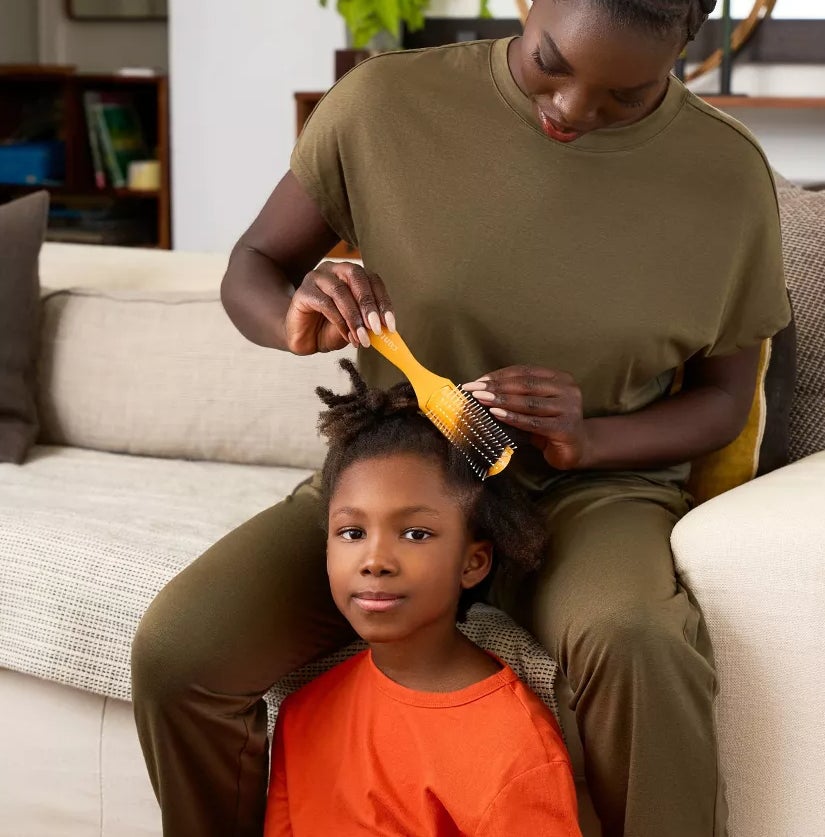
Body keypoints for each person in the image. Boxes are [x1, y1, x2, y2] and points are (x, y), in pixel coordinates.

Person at [131, 1, 791, 835]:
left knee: (637, 639)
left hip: (592, 495)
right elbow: (253, 265)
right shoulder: (382, 106)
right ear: (526, 4)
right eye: (551, 64)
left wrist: (592, 437)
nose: (571, 110)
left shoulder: (724, 176)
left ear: (682, 43)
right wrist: (290, 312)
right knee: (181, 648)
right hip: (398, 473)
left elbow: (724, 400)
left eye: (624, 94)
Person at [263, 359, 580, 836]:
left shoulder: (515, 753)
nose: (375, 560)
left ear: (473, 563)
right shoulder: (302, 713)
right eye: (351, 532)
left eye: (415, 533)